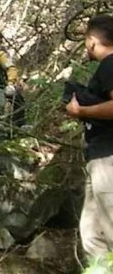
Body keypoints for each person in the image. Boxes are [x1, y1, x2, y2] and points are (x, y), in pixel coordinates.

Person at [65, 14, 113, 258]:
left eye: (85, 40)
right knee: (92, 233)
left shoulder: (110, 64)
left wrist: (81, 110)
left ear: (93, 41)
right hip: (98, 156)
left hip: (108, 157)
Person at [0, 30, 26, 126]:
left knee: (18, 99)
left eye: (0, 42)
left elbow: (11, 68)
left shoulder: (1, 53)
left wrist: (11, 82)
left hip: (3, 83)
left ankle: (18, 124)